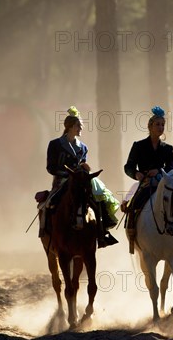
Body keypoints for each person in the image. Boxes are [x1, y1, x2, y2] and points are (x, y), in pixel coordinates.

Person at [124, 106, 173, 248]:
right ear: (150, 126)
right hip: (146, 183)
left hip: (163, 180)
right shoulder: (138, 146)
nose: (160, 127)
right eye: (157, 124)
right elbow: (128, 167)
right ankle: (132, 232)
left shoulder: (167, 148)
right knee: (134, 204)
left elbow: (171, 167)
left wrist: (159, 172)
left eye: (162, 125)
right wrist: (136, 174)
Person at [41, 106, 118, 248]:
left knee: (97, 199)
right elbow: (50, 167)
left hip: (80, 181)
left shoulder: (83, 147)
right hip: (61, 181)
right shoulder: (55, 144)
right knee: (50, 203)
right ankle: (46, 232)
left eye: (80, 125)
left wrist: (85, 168)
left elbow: (82, 164)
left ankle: (102, 233)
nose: (81, 127)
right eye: (78, 125)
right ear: (70, 126)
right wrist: (67, 174)